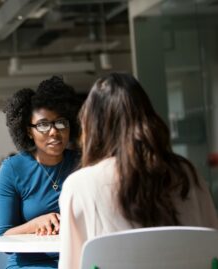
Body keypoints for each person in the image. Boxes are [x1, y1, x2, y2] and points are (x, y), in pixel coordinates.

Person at [58, 72, 218, 269]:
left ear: (93, 126)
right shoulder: (187, 173)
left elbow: (70, 265)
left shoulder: (80, 186)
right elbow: (213, 248)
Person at [0, 76, 80, 269]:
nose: (54, 132)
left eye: (60, 122)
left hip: (79, 260)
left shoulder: (82, 163)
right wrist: (36, 224)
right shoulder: (13, 169)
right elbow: (3, 238)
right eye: (43, 125)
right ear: (28, 131)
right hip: (31, 264)